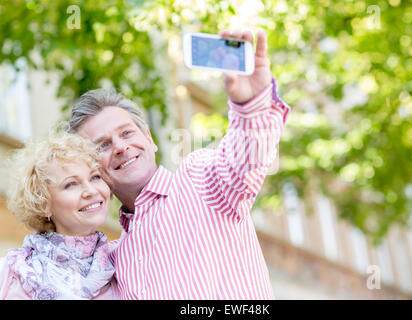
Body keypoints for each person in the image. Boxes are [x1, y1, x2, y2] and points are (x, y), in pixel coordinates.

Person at [68, 29, 290, 299]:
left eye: (127, 133)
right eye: (102, 145)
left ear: (149, 139)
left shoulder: (200, 180)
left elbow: (248, 157)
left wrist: (251, 105)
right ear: (92, 168)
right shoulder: (113, 260)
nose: (120, 147)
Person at [0, 132, 120, 300]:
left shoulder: (124, 265)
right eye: (71, 184)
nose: (91, 191)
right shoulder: (11, 272)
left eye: (95, 177)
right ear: (43, 204)